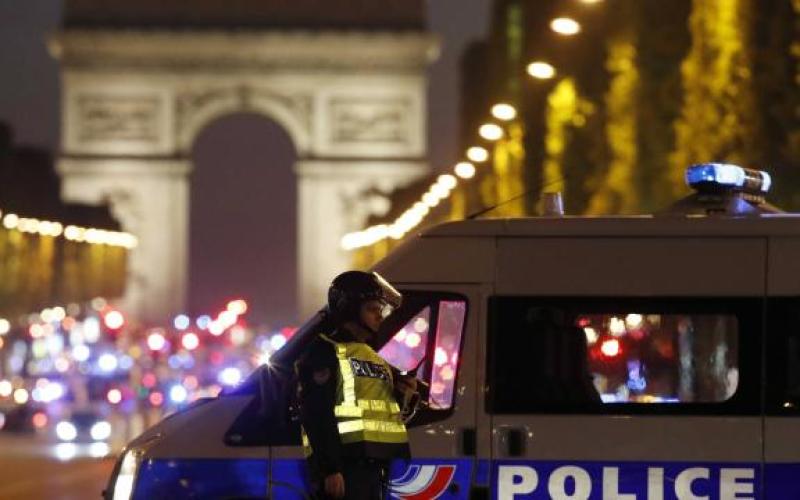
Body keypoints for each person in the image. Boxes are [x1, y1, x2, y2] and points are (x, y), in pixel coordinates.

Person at [296, 271, 418, 499]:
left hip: (372, 468)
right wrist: (330, 469)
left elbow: (382, 413)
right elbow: (316, 414)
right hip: (344, 469)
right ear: (350, 308)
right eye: (373, 309)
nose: (380, 317)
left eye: (381, 310)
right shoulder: (324, 352)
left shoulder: (374, 357)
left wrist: (402, 394)